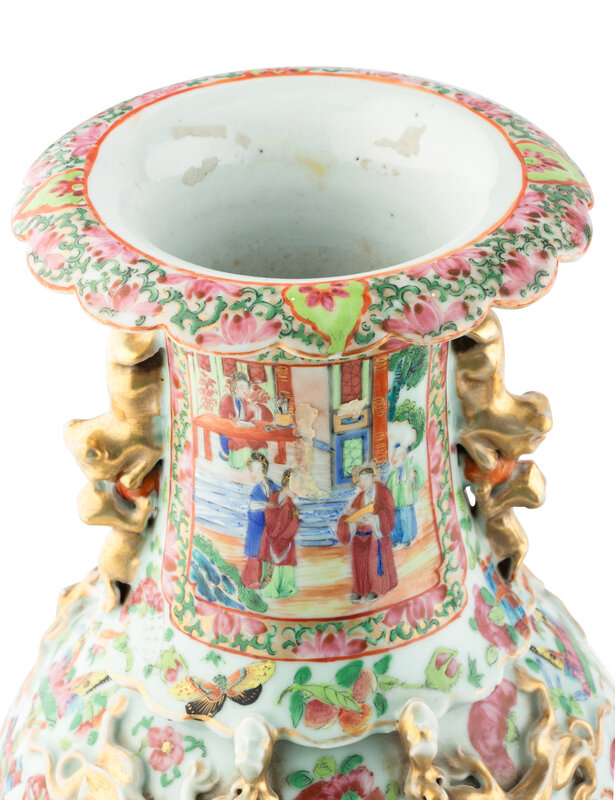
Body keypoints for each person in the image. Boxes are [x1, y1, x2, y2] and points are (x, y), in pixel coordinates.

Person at [336, 462, 398, 603]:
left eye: (364, 479)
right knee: (359, 562)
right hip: (361, 535)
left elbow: (388, 512)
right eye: (359, 480)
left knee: (373, 561)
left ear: (372, 477)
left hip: (375, 535)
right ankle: (359, 589)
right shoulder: (360, 497)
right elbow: (353, 513)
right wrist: (351, 517)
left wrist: (375, 519)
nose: (361, 483)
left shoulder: (383, 492)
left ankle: (375, 588)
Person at [259, 469, 300, 598]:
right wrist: (277, 532)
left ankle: (285, 586)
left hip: (285, 538)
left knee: (285, 565)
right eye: (294, 484)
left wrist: (285, 533)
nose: (296, 489)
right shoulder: (274, 498)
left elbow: (294, 522)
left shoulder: (291, 503)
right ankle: (271, 588)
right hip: (272, 537)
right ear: (286, 484)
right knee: (272, 564)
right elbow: (269, 515)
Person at [218, 371, 271, 469]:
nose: (245, 391)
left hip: (240, 431)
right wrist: (235, 421)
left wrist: (256, 409)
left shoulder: (242, 401)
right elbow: (225, 423)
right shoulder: (227, 400)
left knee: (259, 442)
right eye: (242, 388)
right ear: (234, 388)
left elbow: (249, 416)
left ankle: (257, 464)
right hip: (230, 434)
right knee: (244, 444)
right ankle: (236, 460)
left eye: (247, 388)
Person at [241, 453, 278, 589]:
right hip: (256, 526)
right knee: (254, 554)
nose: (254, 474)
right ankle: (250, 580)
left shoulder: (271, 486)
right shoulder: (257, 489)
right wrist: (268, 505)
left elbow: (279, 499)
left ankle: (260, 579)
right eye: (252, 470)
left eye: (256, 470)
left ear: (263, 470)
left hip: (265, 526)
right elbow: (254, 506)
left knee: (262, 553)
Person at [387, 443, 424, 547]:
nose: (394, 459)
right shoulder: (394, 474)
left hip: (406, 501)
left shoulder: (410, 468)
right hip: (395, 503)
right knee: (395, 522)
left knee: (406, 521)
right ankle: (394, 539)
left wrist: (415, 474)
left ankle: (407, 539)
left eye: (398, 456)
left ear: (403, 457)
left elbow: (419, 480)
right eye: (394, 456)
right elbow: (389, 487)